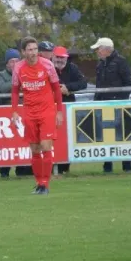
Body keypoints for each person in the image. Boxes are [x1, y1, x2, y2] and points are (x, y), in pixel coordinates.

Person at [11, 37, 64, 194]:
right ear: (23, 52)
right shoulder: (18, 68)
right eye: (30, 50)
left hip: (47, 111)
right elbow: (15, 90)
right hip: (29, 112)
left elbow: (56, 89)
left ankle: (45, 184)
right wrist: (14, 111)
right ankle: (39, 183)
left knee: (46, 146)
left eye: (35, 49)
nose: (33, 53)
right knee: (34, 149)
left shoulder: (47, 65)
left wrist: (59, 111)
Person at [90, 37, 131, 173]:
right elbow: (99, 87)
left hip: (119, 105)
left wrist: (119, 100)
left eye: (99, 49)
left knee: (122, 136)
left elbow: (129, 84)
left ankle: (127, 166)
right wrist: (95, 103)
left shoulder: (121, 62)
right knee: (106, 137)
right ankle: (107, 166)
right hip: (103, 106)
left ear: (106, 49)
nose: (97, 51)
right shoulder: (100, 65)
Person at [0, 49, 31, 178]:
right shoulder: (1, 75)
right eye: (12, 61)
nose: (15, 63)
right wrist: (18, 80)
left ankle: (22, 170)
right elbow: (2, 87)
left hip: (24, 110)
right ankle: (4, 171)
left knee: (23, 141)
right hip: (7, 113)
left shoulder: (27, 71)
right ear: (7, 64)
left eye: (17, 60)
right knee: (6, 143)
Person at [51, 46, 87, 175]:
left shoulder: (72, 68)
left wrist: (68, 88)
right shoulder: (46, 67)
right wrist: (56, 89)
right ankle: (50, 168)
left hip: (67, 107)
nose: (59, 60)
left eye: (62, 57)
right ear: (52, 56)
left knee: (66, 138)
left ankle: (64, 168)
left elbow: (83, 83)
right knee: (50, 138)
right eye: (57, 57)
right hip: (50, 107)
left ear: (66, 58)